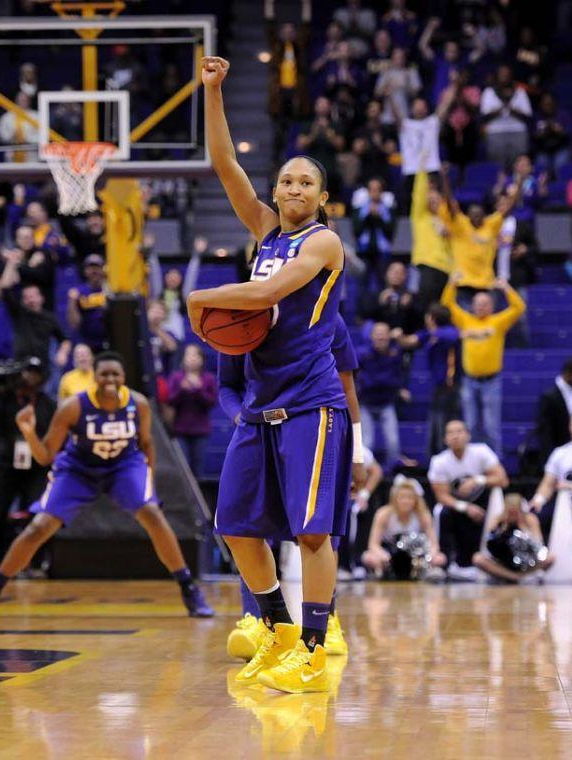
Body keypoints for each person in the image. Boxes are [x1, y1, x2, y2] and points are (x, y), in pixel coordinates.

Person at [190, 55, 353, 693]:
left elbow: (261, 300)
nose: (291, 191)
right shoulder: (262, 230)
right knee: (233, 523)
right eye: (285, 182)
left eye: (304, 184)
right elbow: (225, 164)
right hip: (261, 401)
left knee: (312, 531)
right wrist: (213, 93)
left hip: (312, 403)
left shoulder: (324, 243)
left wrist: (199, 298)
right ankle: (280, 630)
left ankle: (314, 646)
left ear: (320, 197)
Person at [0, 352, 214, 618]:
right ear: (94, 377)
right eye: (104, 374)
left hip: (123, 466)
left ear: (124, 377)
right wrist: (28, 431)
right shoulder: (73, 407)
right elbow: (45, 456)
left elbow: (146, 443)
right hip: (78, 470)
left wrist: (148, 478)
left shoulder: (138, 404)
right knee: (38, 527)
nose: (110, 379)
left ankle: (189, 588)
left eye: (115, 374)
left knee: (153, 514)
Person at [219, 313, 367, 660]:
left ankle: (325, 619)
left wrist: (357, 452)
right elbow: (227, 385)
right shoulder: (236, 315)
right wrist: (242, 418)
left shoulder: (328, 318)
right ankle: (259, 619)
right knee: (244, 528)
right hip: (259, 426)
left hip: (313, 419)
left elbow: (347, 384)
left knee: (318, 528)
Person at [0, 357, 55, 569]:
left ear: (42, 377)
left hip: (37, 469)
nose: (30, 377)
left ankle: (37, 565)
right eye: (27, 372)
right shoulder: (5, 400)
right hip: (8, 466)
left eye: (35, 373)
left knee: (39, 516)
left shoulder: (48, 404)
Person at [442, 276, 525, 454]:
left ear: (491, 306)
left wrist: (506, 288)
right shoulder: (465, 320)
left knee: (491, 427)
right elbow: (447, 305)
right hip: (469, 380)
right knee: (470, 425)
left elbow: (519, 307)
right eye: (477, 303)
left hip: (491, 381)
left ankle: (495, 465)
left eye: (485, 303)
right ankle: (472, 464)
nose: (481, 306)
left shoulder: (498, 321)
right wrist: (452, 284)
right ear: (472, 305)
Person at [429, 419, 509, 580]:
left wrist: (478, 480)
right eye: (450, 433)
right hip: (456, 506)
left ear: (468, 435)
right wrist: (465, 507)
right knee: (441, 513)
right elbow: (441, 495)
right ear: (445, 439)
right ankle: (442, 565)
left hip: (483, 503)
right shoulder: (439, 461)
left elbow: (503, 480)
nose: (455, 436)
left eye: (459, 431)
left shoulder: (481, 452)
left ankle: (496, 562)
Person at [394, 303, 461, 456]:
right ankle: (434, 457)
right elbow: (408, 341)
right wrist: (399, 336)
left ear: (432, 318)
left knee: (444, 423)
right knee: (435, 423)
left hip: (450, 386)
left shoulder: (449, 332)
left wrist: (434, 335)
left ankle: (445, 455)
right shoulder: (429, 333)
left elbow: (455, 336)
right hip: (438, 386)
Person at [530, 412, 572, 566]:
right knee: (536, 516)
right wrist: (539, 499)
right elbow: (548, 483)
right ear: (570, 428)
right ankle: (538, 560)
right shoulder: (560, 453)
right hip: (563, 504)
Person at [362, 477, 446, 578]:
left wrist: (428, 558)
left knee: (440, 558)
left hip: (416, 556)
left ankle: (426, 571)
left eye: (409, 498)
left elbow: (434, 545)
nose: (406, 501)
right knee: (368, 557)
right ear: (395, 498)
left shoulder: (423, 515)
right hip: (389, 554)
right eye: (402, 497)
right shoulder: (383, 514)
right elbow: (373, 544)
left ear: (415, 500)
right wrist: (384, 556)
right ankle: (381, 572)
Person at [357, 321, 412, 470]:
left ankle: (392, 473)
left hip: (386, 403)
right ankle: (367, 474)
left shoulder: (395, 354)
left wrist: (398, 387)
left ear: (389, 336)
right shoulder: (362, 354)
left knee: (393, 442)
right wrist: (386, 383)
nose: (380, 338)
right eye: (377, 334)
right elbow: (365, 380)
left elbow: (397, 377)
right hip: (366, 404)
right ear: (371, 336)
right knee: (367, 443)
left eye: (383, 334)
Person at [265, 0, 312, 164]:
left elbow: (306, 27)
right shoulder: (277, 47)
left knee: (295, 130)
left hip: (296, 94)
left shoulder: (298, 47)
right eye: (284, 31)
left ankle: (295, 160)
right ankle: (276, 163)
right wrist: (269, 5)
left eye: (290, 31)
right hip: (280, 94)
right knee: (278, 131)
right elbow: (270, 27)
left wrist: (306, 5)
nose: (287, 33)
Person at [164, 344, 217, 479]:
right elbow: (170, 401)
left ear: (202, 359)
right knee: (183, 467)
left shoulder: (208, 378)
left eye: (196, 355)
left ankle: (200, 498)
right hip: (180, 430)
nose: (192, 358)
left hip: (200, 431)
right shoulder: (177, 377)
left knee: (198, 468)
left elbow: (212, 402)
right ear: (183, 359)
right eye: (189, 355)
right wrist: (182, 389)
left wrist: (199, 389)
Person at [474, 493, 553, 583]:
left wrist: (522, 526)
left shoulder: (530, 519)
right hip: (503, 562)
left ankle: (521, 576)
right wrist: (504, 527)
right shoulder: (498, 519)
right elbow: (488, 543)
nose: (513, 514)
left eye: (516, 511)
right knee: (478, 558)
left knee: (550, 558)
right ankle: (515, 577)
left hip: (527, 563)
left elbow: (539, 544)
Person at [409, 167, 452, 310]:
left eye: (436, 199)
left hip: (446, 270)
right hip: (427, 266)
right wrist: (423, 168)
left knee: (442, 309)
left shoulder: (449, 223)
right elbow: (418, 194)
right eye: (430, 199)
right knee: (426, 307)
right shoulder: (420, 217)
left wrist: (450, 235)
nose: (433, 201)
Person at [536, 358, 572, 465]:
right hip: (562, 453)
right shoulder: (550, 397)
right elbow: (545, 432)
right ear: (568, 374)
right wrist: (550, 460)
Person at [480, 65, 532, 167]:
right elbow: (484, 117)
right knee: (498, 167)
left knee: (519, 165)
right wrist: (502, 107)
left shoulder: (520, 92)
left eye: (507, 74)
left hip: (518, 132)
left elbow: (528, 117)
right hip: (496, 133)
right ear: (497, 76)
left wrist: (511, 109)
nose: (505, 77)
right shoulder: (489, 92)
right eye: (502, 74)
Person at [352, 177, 395, 284]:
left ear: (382, 191)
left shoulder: (388, 209)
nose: (375, 192)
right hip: (364, 251)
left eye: (378, 189)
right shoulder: (360, 209)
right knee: (362, 284)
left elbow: (390, 232)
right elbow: (356, 231)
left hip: (382, 252)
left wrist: (379, 217)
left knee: (383, 282)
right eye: (372, 189)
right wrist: (368, 216)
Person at [358, 260, 421, 332]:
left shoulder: (411, 297)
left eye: (401, 272)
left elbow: (419, 322)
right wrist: (380, 302)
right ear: (386, 274)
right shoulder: (376, 295)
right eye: (394, 272)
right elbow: (362, 316)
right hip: (381, 335)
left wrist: (409, 307)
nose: (397, 275)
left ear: (406, 276)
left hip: (403, 335)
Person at [66, 254, 108, 352]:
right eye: (91, 268)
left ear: (103, 270)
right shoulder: (79, 292)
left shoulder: (110, 290)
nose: (94, 271)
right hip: (88, 344)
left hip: (110, 341)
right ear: (85, 271)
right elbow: (74, 323)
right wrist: (72, 302)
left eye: (97, 268)